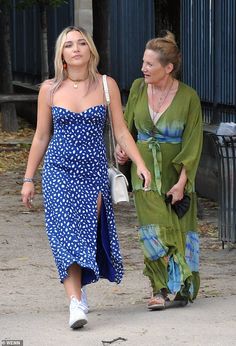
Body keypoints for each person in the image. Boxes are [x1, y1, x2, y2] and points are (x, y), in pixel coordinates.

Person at [21, 26, 151, 329]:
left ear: (90, 50)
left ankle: (78, 291)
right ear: (62, 55)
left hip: (92, 173)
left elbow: (120, 131)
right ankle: (75, 303)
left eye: (82, 43)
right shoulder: (49, 89)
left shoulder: (107, 86)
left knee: (83, 236)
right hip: (58, 171)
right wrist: (29, 179)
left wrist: (140, 164)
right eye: (69, 45)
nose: (76, 48)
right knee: (64, 234)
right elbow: (41, 136)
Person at [116, 30, 203, 310]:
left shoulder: (189, 97)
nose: (143, 68)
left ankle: (182, 288)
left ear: (168, 68)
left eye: (150, 64)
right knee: (153, 231)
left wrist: (182, 182)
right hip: (144, 174)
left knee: (179, 230)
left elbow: (193, 143)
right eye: (143, 62)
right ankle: (160, 289)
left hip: (176, 174)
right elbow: (126, 129)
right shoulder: (139, 88)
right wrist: (123, 152)